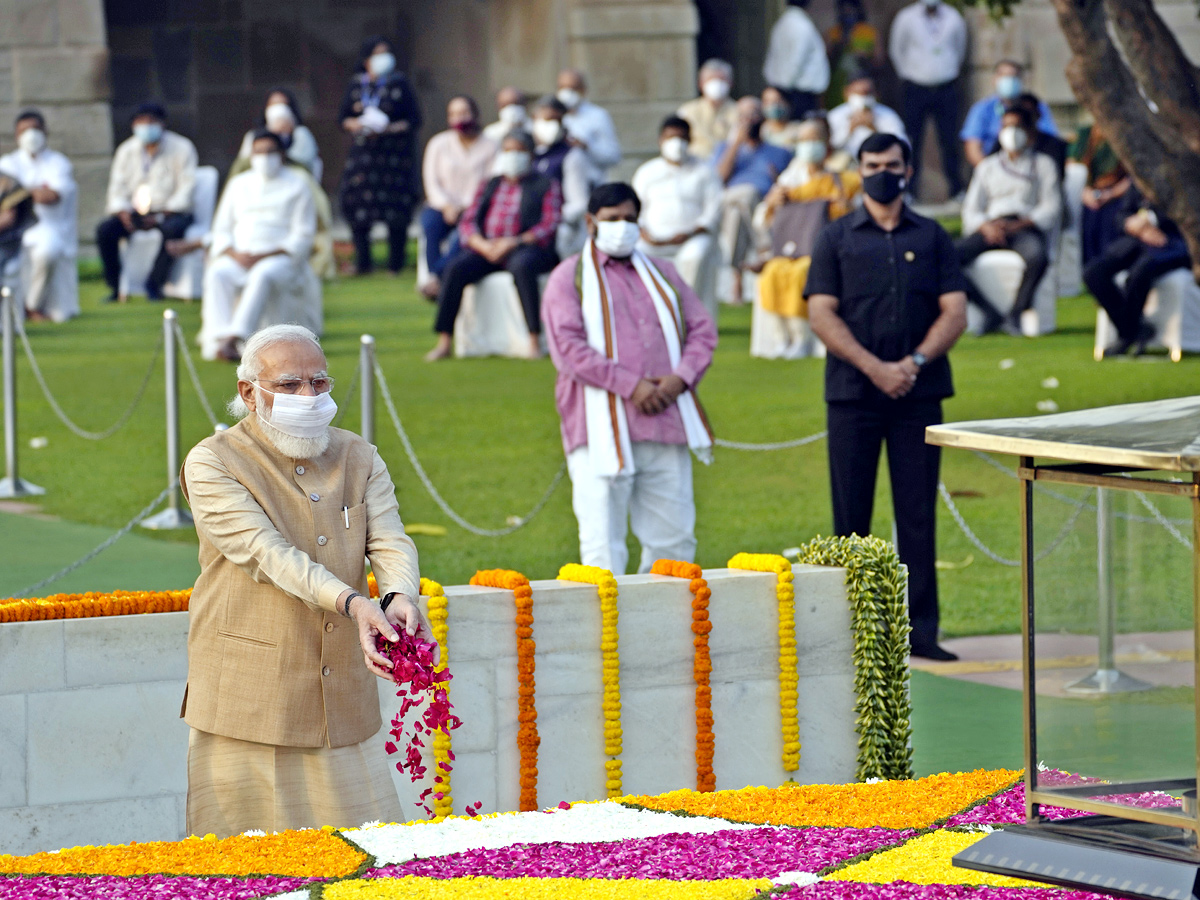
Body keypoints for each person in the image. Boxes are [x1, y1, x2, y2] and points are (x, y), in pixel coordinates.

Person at [181, 323, 431, 838]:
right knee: (250, 868)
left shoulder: (357, 454)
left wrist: (399, 593)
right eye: (291, 385)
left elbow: (389, 538)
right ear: (248, 393)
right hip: (249, 698)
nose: (308, 396)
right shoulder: (213, 461)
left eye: (319, 383)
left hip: (344, 695)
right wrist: (352, 603)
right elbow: (265, 554)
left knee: (367, 857)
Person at [805, 132, 967, 661]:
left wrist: (913, 363)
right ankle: (851, 634)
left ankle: (921, 633)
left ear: (907, 168)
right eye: (872, 164)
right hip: (853, 393)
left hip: (919, 394)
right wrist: (875, 368)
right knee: (850, 517)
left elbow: (954, 311)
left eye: (891, 164)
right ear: (859, 169)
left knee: (917, 515)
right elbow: (820, 312)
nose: (882, 172)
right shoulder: (836, 237)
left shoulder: (934, 236)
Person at [541, 182, 718, 574]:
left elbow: (703, 330)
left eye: (630, 219)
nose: (622, 226)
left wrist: (679, 379)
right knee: (603, 546)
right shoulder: (569, 277)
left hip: (663, 418)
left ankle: (664, 630)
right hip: (598, 427)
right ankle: (607, 634)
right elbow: (567, 347)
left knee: (674, 543)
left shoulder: (664, 273)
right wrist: (631, 385)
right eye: (612, 219)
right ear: (590, 222)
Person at [425, 131, 562, 362]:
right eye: (508, 151)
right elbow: (468, 221)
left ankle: (533, 340)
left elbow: (549, 224)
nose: (513, 156)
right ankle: (444, 340)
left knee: (522, 267)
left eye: (519, 151)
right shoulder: (490, 184)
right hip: (488, 248)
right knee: (455, 268)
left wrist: (515, 241)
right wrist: (481, 244)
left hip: (525, 248)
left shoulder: (545, 184)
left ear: (530, 155)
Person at [200, 131, 317, 363]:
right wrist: (233, 253)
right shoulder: (238, 184)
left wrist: (267, 254)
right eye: (259, 152)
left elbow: (303, 234)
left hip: (280, 257)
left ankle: (236, 337)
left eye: (270, 152)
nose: (264, 158)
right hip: (239, 256)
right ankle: (217, 338)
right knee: (218, 272)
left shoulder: (298, 184)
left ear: (282, 155)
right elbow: (221, 228)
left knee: (262, 274)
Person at [756, 119, 862, 356]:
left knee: (803, 272)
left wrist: (846, 206)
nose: (809, 146)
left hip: (829, 248)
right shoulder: (790, 177)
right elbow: (763, 219)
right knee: (773, 272)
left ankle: (803, 338)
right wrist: (772, 203)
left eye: (814, 140)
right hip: (793, 246)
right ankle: (783, 338)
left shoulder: (844, 174)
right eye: (803, 140)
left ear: (826, 143)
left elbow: (859, 212)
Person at [957, 106, 1061, 335]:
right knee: (946, 259)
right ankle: (988, 312)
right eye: (1006, 127)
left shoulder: (1043, 164)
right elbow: (971, 209)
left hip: (1024, 227)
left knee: (1037, 257)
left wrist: (1021, 224)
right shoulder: (988, 166)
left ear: (1029, 131)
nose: (1011, 132)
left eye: (1017, 127)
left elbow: (1051, 208)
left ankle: (1016, 314)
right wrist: (986, 226)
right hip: (991, 227)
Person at [96, 101, 197, 302]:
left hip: (169, 212)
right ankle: (116, 288)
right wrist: (123, 212)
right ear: (133, 125)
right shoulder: (126, 150)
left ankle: (154, 284)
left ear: (163, 123)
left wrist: (161, 215)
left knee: (173, 231)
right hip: (134, 213)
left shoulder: (182, 147)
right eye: (141, 122)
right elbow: (116, 189)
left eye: (151, 121)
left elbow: (187, 189)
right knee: (105, 230)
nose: (146, 126)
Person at [338, 36, 422, 276]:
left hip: (394, 159)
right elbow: (341, 118)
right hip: (363, 159)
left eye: (387, 52)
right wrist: (354, 124)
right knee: (358, 210)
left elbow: (414, 120)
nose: (383, 58)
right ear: (366, 60)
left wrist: (390, 128)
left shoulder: (400, 84)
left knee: (396, 211)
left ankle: (396, 263)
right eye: (377, 53)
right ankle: (363, 262)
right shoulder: (357, 85)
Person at [632, 116, 724, 319]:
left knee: (694, 257)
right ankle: (647, 314)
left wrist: (689, 232)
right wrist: (645, 233)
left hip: (692, 237)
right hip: (653, 238)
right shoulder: (647, 172)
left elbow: (713, 211)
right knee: (635, 254)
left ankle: (685, 314)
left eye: (681, 138)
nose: (676, 143)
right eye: (670, 137)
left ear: (690, 140)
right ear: (660, 141)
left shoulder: (705, 171)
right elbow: (635, 208)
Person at [1086, 186, 1191, 357]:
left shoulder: (1182, 173)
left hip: (1173, 242)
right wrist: (1131, 223)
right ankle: (1134, 330)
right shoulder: (1140, 178)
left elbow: (1188, 213)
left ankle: (1126, 336)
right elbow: (1121, 214)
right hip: (1136, 240)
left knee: (1140, 271)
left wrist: (1150, 220)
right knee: (1093, 272)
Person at [713, 97, 793, 303]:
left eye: (754, 114)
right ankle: (763, 250)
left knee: (738, 212)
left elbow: (787, 184)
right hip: (729, 198)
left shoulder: (780, 152)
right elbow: (718, 180)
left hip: (764, 205)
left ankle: (736, 275)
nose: (749, 120)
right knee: (744, 195)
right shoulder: (724, 148)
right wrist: (736, 144)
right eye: (744, 116)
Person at [0, 110, 78, 322]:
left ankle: (31, 305)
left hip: (48, 225)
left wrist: (19, 192)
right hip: (13, 229)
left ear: (45, 131)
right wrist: (31, 191)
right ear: (16, 135)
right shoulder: (7, 163)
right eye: (24, 130)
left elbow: (51, 196)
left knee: (48, 250)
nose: (30, 135)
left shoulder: (58, 162)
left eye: (35, 129)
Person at [419, 95, 498, 298]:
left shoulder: (491, 145)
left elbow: (490, 183)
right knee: (431, 226)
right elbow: (431, 181)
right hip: (441, 206)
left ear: (475, 114)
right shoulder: (439, 143)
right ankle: (435, 277)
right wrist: (446, 205)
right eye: (453, 114)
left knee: (462, 236)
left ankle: (437, 278)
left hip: (475, 207)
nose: (459, 118)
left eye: (463, 112)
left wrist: (465, 208)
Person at [888, 0, 967, 200]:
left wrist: (945, 71)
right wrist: (910, 74)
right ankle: (908, 190)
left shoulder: (953, 17)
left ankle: (956, 189)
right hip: (915, 87)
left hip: (946, 86)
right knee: (912, 139)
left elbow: (959, 49)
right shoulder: (906, 17)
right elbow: (897, 50)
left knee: (949, 139)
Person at [960, 61, 1058, 168]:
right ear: (994, 79)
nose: (1009, 80)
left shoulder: (1035, 107)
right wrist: (989, 172)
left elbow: (1050, 139)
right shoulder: (982, 109)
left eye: (1013, 76)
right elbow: (972, 147)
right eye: (1004, 75)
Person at [530, 96, 590, 258]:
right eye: (546, 119)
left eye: (557, 120)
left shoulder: (571, 155)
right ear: (534, 119)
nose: (551, 125)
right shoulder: (526, 150)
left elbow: (579, 203)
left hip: (555, 229)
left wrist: (550, 221)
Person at [1070, 122, 1130, 264]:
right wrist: (1084, 192)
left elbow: (1132, 178)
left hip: (1116, 195)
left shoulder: (1127, 135)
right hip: (1086, 194)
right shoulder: (1084, 133)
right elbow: (1072, 164)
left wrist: (1110, 194)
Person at [762, 0, 830, 121]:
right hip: (796, 92)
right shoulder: (801, 25)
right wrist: (784, 92)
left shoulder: (782, 23)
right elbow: (796, 60)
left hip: (788, 88)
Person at [235, 88, 322, 175]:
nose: (279, 109)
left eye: (283, 104)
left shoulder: (301, 134)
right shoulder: (253, 136)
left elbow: (306, 165)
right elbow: (241, 166)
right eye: (273, 105)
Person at [556, 69, 622, 183]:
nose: (567, 92)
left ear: (583, 90)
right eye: (563, 87)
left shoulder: (598, 116)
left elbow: (614, 156)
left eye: (573, 88)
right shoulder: (551, 115)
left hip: (591, 184)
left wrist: (586, 147)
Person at [827, 74, 907, 162]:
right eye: (858, 93)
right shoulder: (835, 115)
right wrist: (849, 130)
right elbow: (828, 147)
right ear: (847, 93)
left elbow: (903, 146)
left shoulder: (888, 115)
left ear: (876, 93)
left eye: (868, 93)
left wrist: (874, 129)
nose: (863, 98)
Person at [824, 0, 884, 109]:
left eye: (851, 9)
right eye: (844, 10)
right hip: (837, 85)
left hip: (863, 80)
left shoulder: (869, 32)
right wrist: (838, 47)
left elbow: (879, 61)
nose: (848, 13)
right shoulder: (834, 33)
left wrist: (865, 58)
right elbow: (825, 60)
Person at [677, 59, 740, 160]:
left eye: (721, 79)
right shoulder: (687, 111)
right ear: (701, 83)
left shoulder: (739, 111)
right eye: (711, 79)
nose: (717, 84)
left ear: (731, 83)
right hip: (695, 164)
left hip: (730, 164)